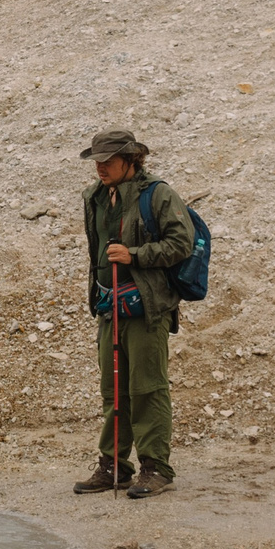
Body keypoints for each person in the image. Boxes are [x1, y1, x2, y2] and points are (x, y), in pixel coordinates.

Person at [75, 127, 196, 499]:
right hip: (109, 307)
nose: (100, 167)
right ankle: (113, 467)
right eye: (97, 161)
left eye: (108, 161)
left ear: (131, 159)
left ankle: (156, 469)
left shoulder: (157, 194)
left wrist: (135, 255)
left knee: (147, 389)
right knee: (113, 391)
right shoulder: (95, 197)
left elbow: (182, 243)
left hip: (148, 308)